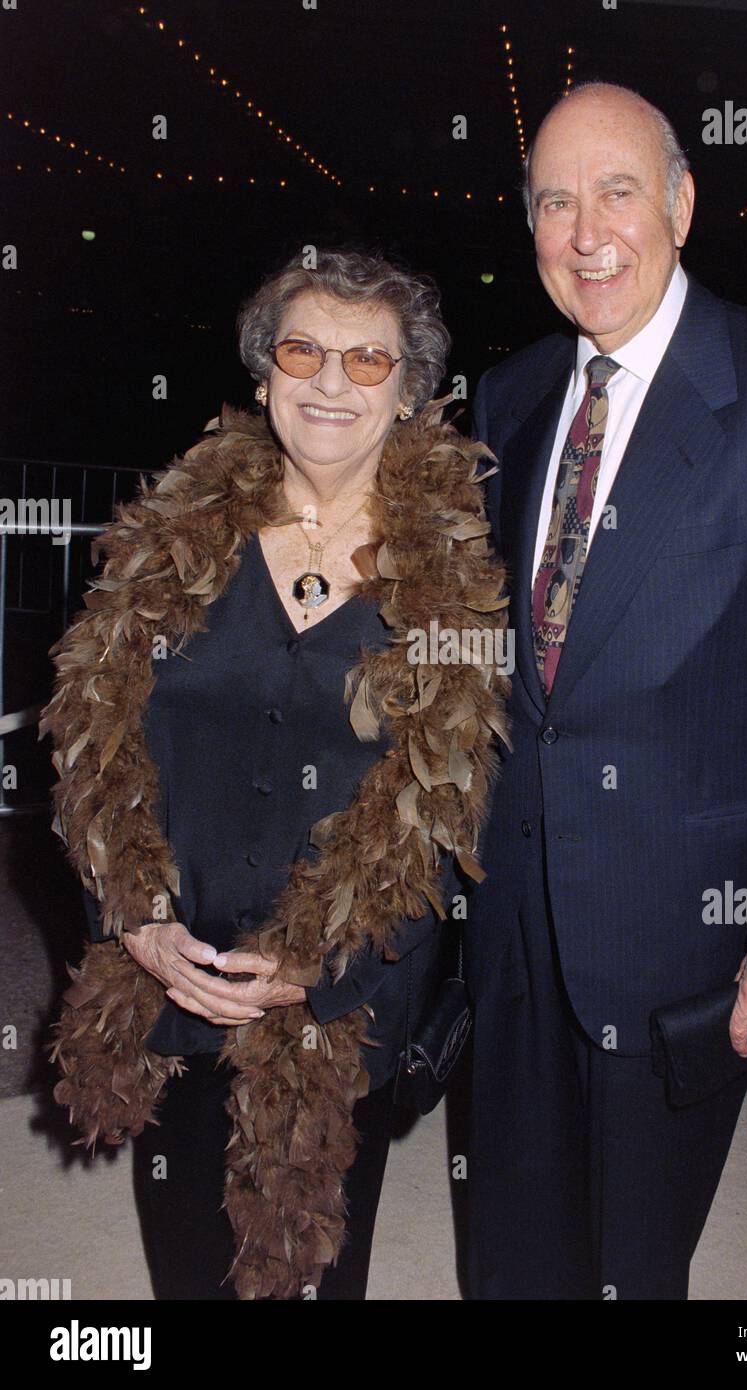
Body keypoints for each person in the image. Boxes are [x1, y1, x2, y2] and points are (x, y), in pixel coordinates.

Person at [464, 82, 747, 1300]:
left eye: (617, 191)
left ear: (684, 204)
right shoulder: (514, 394)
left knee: (634, 1263)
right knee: (509, 1244)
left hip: (682, 931)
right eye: (555, 200)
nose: (586, 231)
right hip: (515, 917)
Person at [43, 248, 507, 1300]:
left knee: (313, 1272)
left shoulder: (455, 575)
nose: (332, 381)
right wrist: (135, 919)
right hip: (174, 974)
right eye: (304, 350)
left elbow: (445, 810)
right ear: (263, 376)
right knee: (187, 1267)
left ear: (410, 391)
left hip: (339, 1005)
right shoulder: (170, 538)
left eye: (367, 358)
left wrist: (327, 968)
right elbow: (91, 740)